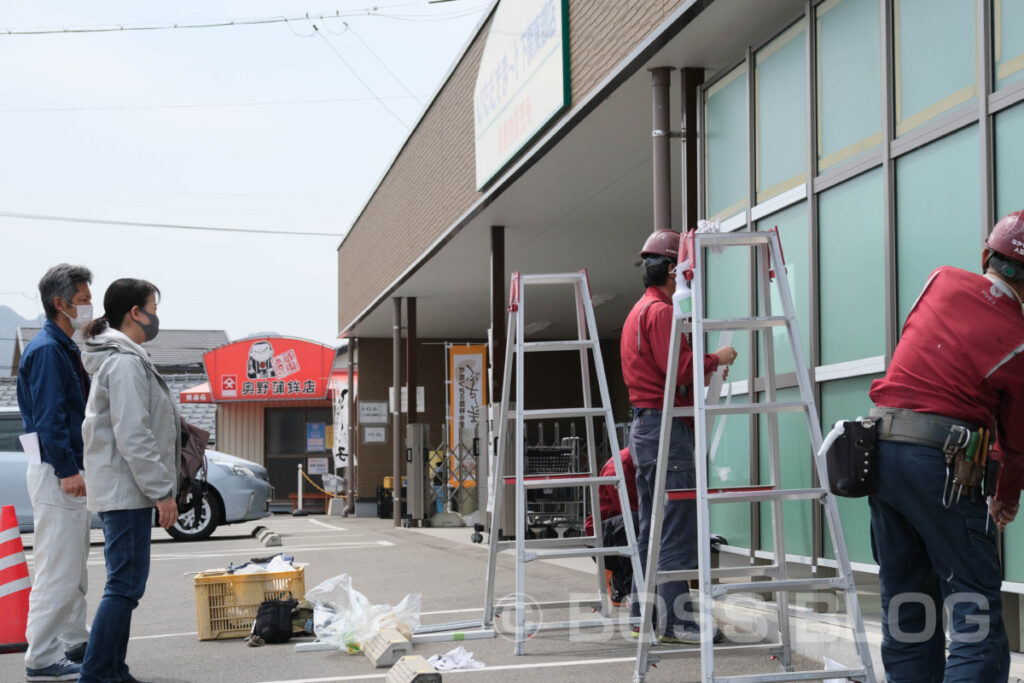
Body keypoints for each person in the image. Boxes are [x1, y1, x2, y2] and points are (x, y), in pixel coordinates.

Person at [867, 210, 1024, 682]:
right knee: (974, 619)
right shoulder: (1017, 341)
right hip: (941, 467)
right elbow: (1015, 443)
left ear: (985, 255)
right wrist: (1005, 497)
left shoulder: (939, 281)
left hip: (880, 452)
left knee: (908, 608)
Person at [620, 229, 737, 644]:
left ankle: (642, 613)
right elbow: (681, 369)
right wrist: (715, 359)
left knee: (653, 523)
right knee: (675, 525)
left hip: (646, 427)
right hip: (666, 428)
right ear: (674, 270)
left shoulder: (637, 312)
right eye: (687, 271)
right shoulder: (662, 313)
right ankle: (676, 621)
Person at [78, 279, 181, 683]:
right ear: (135, 313)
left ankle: (113, 671)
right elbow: (134, 434)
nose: (156, 316)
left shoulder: (125, 358)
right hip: (128, 491)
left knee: (126, 586)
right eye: (153, 307)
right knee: (124, 587)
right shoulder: (123, 363)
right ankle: (97, 674)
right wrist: (162, 493)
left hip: (125, 490)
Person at [17, 264, 93, 682]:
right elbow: (51, 419)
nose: (88, 307)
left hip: (61, 469)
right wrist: (67, 470)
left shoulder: (61, 345)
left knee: (72, 566)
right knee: (57, 568)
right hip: (56, 471)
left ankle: (72, 641)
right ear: (60, 304)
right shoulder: (48, 350)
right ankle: (42, 658)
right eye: (82, 300)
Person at [583, 448, 639, 605]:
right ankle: (631, 592)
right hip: (604, 537)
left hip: (617, 529)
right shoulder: (618, 469)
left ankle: (621, 580)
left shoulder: (641, 460)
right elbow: (631, 511)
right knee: (633, 523)